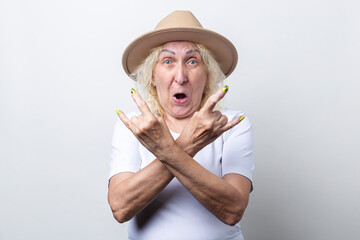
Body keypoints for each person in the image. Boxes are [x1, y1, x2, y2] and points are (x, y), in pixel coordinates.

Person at [108, 10, 255, 240]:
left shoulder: (231, 124)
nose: (181, 76)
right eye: (168, 61)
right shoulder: (135, 125)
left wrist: (167, 150)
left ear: (207, 74)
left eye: (192, 61)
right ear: (153, 77)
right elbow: (120, 207)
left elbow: (233, 210)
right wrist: (188, 145)